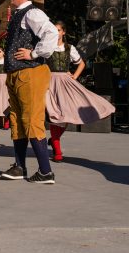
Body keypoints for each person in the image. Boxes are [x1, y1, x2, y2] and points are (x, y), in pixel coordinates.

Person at [0, 0, 58, 184]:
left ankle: (45, 171)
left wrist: (33, 53)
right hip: (17, 73)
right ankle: (20, 166)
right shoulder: (18, 14)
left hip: (30, 72)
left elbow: (51, 33)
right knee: (17, 119)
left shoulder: (32, 13)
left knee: (31, 120)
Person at [45, 21, 114, 162]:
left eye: (58, 30)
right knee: (55, 115)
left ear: (63, 32)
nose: (56, 32)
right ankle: (57, 151)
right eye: (54, 30)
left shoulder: (69, 48)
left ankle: (54, 139)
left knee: (66, 115)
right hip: (50, 82)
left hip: (65, 82)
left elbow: (81, 63)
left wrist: (74, 76)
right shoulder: (47, 47)